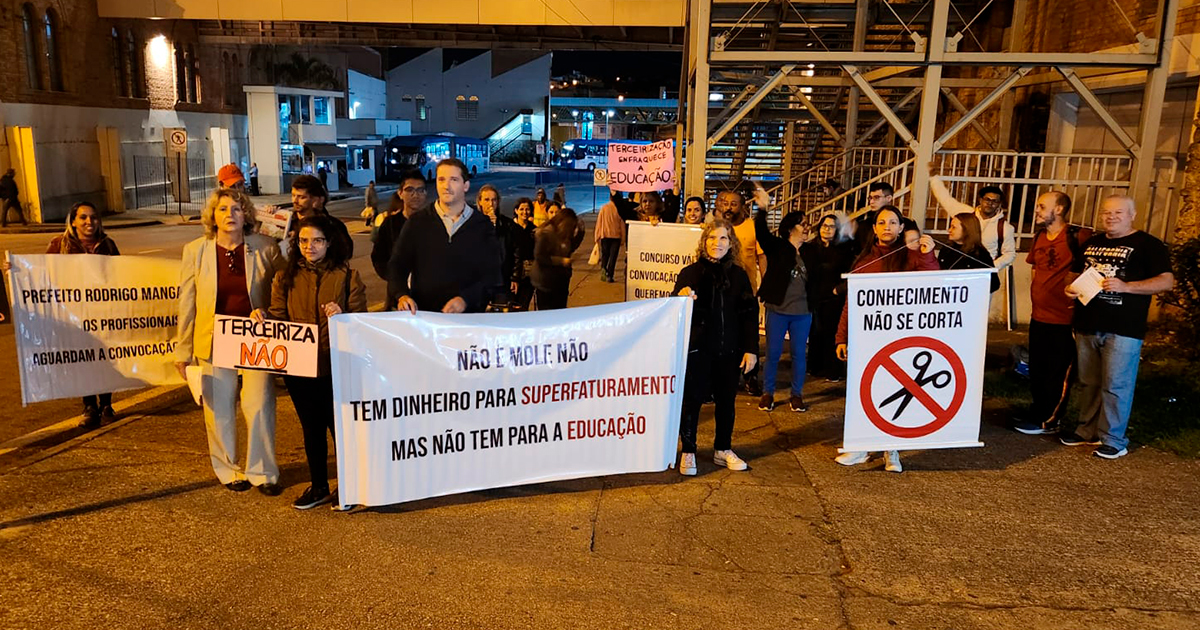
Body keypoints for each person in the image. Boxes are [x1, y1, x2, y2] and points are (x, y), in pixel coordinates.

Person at [174, 188, 285, 495]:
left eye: (236, 209)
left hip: (256, 338)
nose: (230, 215)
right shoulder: (195, 251)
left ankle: (262, 471)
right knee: (219, 407)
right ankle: (228, 469)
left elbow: (285, 284)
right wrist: (183, 350)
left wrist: (284, 234)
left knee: (259, 403)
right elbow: (188, 303)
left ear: (246, 215)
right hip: (213, 338)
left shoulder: (264, 247)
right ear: (213, 216)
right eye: (223, 210)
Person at [251, 214, 366, 510]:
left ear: (329, 243)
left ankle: (349, 486)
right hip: (299, 368)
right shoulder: (284, 278)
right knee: (311, 428)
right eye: (303, 240)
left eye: (317, 240)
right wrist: (262, 317)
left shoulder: (347, 277)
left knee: (338, 428)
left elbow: (361, 322)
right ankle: (319, 487)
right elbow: (278, 318)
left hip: (335, 366)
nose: (309, 246)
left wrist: (343, 315)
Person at [1061, 196, 1173, 459]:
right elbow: (1073, 274)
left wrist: (1127, 287)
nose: (1111, 217)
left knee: (1116, 384)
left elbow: (1167, 281)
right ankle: (1085, 431)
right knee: (1089, 382)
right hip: (1087, 323)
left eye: (1118, 212)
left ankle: (1113, 439)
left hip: (1124, 327)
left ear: (1132, 214)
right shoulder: (1093, 243)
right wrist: (1070, 289)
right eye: (1107, 212)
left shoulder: (1149, 245)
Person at [834, 206, 939, 473]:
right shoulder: (865, 260)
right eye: (882, 222)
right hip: (866, 339)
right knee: (864, 393)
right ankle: (861, 447)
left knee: (895, 393)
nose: (887, 227)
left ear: (902, 227)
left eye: (893, 222)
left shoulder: (912, 258)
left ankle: (891, 450)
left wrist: (927, 256)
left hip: (900, 338)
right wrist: (842, 337)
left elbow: (932, 286)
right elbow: (852, 302)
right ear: (875, 228)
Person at [671, 219, 759, 476]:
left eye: (723, 239)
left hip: (729, 352)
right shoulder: (690, 273)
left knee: (726, 402)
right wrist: (681, 297)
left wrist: (750, 349)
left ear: (731, 243)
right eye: (712, 238)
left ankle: (723, 448)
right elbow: (674, 308)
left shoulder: (739, 275)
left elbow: (748, 315)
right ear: (703, 242)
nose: (717, 244)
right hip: (698, 350)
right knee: (692, 401)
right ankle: (688, 451)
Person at [1014, 192, 1093, 435]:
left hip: (1064, 318)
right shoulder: (1039, 236)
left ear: (1058, 209)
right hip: (1040, 316)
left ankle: (1050, 419)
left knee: (1057, 371)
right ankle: (1038, 410)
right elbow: (1036, 269)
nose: (1036, 210)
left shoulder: (1078, 236)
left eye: (1041, 206)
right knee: (1038, 368)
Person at [389, 158, 501, 314]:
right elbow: (397, 265)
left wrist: (466, 299)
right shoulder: (417, 222)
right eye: (441, 179)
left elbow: (492, 275)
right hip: (425, 319)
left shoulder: (482, 226)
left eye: (453, 180)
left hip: (468, 320)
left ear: (466, 186)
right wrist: (401, 295)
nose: (446, 186)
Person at [47, 202, 120, 428]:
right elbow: (43, 271)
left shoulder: (107, 245)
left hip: (103, 312)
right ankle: (89, 406)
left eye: (94, 217)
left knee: (105, 359)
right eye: (83, 218)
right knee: (84, 359)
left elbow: (122, 275)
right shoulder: (59, 245)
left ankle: (106, 403)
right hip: (75, 314)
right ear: (73, 221)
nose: (90, 222)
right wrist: (17, 270)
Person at [754, 208, 814, 413]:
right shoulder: (778, 247)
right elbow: (761, 233)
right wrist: (762, 209)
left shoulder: (811, 251)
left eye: (808, 224)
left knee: (799, 354)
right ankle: (767, 393)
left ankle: (796, 395)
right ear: (790, 228)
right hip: (778, 309)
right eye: (802, 224)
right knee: (773, 353)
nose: (807, 228)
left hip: (803, 311)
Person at [715, 187, 765, 397]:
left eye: (733, 204)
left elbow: (762, 257)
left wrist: (765, 285)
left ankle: (751, 376)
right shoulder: (717, 229)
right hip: (722, 294)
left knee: (749, 335)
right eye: (725, 203)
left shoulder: (753, 228)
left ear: (742, 207)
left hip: (747, 292)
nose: (728, 207)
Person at [805, 213, 855, 383]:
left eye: (831, 226)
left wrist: (839, 290)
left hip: (834, 299)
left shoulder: (844, 250)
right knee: (815, 333)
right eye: (824, 226)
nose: (827, 229)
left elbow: (850, 273)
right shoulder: (810, 248)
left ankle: (832, 370)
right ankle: (815, 367)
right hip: (814, 298)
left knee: (831, 334)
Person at [929, 176, 1016, 272]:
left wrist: (990, 267)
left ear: (999, 204)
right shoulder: (966, 214)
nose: (990, 203)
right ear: (980, 200)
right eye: (987, 199)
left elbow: (1010, 253)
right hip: (959, 265)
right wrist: (934, 179)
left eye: (994, 201)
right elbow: (946, 200)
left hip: (984, 274)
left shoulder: (1005, 228)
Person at [531, 207, 583, 310]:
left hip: (560, 282)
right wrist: (562, 261)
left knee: (560, 310)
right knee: (548, 312)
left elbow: (571, 247)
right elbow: (540, 257)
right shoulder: (546, 234)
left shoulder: (564, 234)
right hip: (546, 282)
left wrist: (581, 232)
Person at [290, 174, 353, 257]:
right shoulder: (288, 222)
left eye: (301, 197)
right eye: (293, 195)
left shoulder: (332, 225)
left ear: (317, 200)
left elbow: (346, 252)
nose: (295, 201)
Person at [937, 212, 1000, 293]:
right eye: (950, 227)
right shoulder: (946, 249)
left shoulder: (980, 254)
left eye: (953, 227)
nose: (949, 230)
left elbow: (994, 284)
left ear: (966, 229)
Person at [477, 184, 517, 303]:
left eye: (494, 200)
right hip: (479, 282)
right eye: (486, 200)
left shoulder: (507, 225)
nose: (490, 204)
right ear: (480, 202)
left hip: (501, 280)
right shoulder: (472, 224)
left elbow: (514, 251)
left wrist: (515, 277)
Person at [510, 197, 537, 310]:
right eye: (521, 209)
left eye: (527, 209)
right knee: (511, 305)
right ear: (516, 211)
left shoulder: (534, 230)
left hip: (528, 274)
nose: (524, 212)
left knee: (523, 306)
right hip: (513, 273)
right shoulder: (510, 228)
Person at [594, 190, 626, 283]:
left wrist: (597, 236)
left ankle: (603, 269)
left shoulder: (604, 208)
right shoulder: (619, 209)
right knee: (613, 256)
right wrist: (623, 239)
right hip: (616, 236)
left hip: (605, 235)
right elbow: (622, 225)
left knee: (605, 255)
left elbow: (599, 222)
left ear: (609, 197)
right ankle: (610, 275)